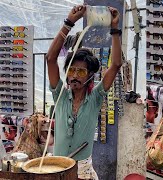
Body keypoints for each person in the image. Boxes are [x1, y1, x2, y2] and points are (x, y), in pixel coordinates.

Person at [46, 4, 122, 179]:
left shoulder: (95, 98)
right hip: (58, 167)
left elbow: (116, 64)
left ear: (90, 76)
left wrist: (115, 28)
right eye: (71, 70)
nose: (74, 76)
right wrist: (69, 22)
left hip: (83, 171)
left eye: (80, 72)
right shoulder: (60, 96)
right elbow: (51, 59)